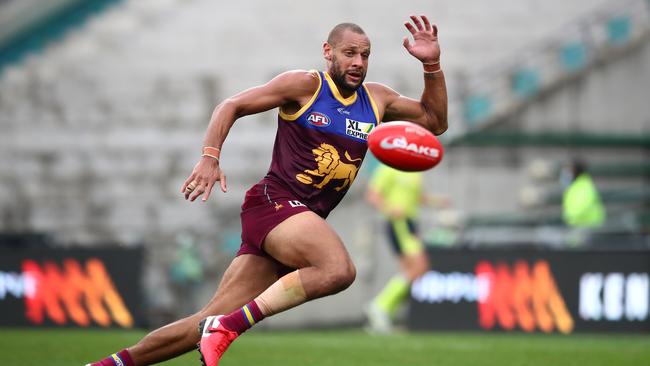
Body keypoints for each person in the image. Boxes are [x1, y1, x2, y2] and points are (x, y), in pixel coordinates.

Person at [88, 15, 447, 366]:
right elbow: (231, 105)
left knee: (201, 322)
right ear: (328, 52)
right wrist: (210, 156)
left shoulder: (377, 99)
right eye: (349, 53)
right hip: (274, 204)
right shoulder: (307, 85)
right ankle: (228, 327)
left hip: (299, 221)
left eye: (365, 55)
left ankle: (110, 364)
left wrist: (431, 65)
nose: (358, 62)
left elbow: (435, 122)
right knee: (338, 270)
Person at [364, 164, 446, 333]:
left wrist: (438, 201)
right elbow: (372, 195)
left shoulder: (415, 170)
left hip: (411, 223)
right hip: (398, 223)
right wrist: (389, 208)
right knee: (419, 267)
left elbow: (419, 197)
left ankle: (383, 311)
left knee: (410, 270)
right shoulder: (388, 168)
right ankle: (380, 306)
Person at [560, 159, 606, 228]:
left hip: (589, 228)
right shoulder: (575, 186)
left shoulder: (584, 186)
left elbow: (581, 208)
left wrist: (568, 216)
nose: (566, 173)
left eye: (569, 170)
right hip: (580, 227)